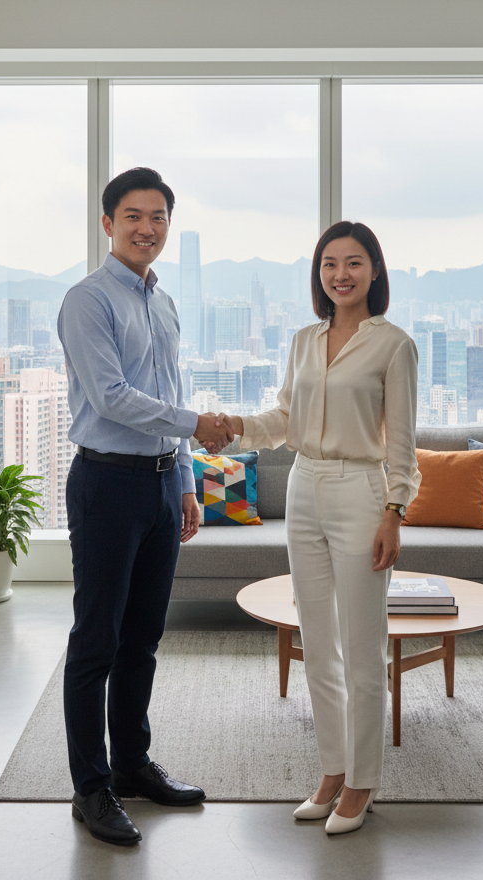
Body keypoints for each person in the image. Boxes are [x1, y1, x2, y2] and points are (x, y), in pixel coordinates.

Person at [217, 221, 420, 835]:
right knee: (316, 639)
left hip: (361, 491)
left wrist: (394, 512)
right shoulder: (304, 340)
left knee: (363, 645)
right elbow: (285, 418)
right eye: (330, 264)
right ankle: (333, 769)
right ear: (318, 274)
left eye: (353, 263)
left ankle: (363, 781)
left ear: (374, 270)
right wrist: (234, 427)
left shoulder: (395, 346)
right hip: (304, 484)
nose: (341, 274)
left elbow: (402, 443)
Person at [57, 166, 233, 846]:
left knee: (143, 640)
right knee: (95, 642)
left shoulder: (164, 303)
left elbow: (169, 389)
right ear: (108, 223)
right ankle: (91, 788)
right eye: (133, 215)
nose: (146, 228)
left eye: (158, 216)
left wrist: (185, 479)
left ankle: (131, 764)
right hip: (106, 485)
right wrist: (196, 425)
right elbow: (111, 398)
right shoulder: (88, 300)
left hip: (161, 485)